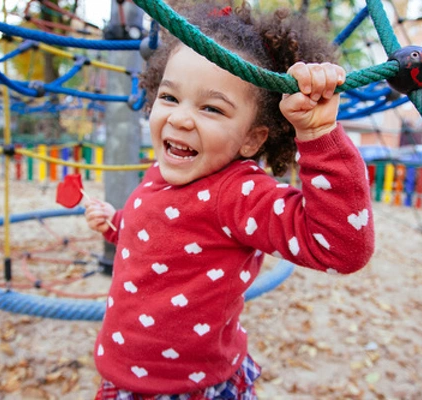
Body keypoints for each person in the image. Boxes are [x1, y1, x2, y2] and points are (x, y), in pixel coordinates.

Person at [85, 2, 375, 399]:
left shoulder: (237, 194)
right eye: (170, 97)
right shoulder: (165, 169)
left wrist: (317, 133)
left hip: (189, 388)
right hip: (121, 376)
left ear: (252, 139)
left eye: (211, 108)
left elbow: (340, 247)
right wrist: (116, 223)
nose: (181, 119)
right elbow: (159, 235)